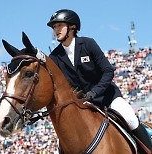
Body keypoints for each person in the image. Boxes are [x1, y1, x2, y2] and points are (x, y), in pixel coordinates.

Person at [47, 9, 152, 152]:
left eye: (59, 25)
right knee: (64, 142)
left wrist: (94, 92)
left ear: (72, 26)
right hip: (83, 104)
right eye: (54, 27)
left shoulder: (88, 44)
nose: (56, 30)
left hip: (108, 97)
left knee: (131, 119)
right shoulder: (54, 57)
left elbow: (108, 71)